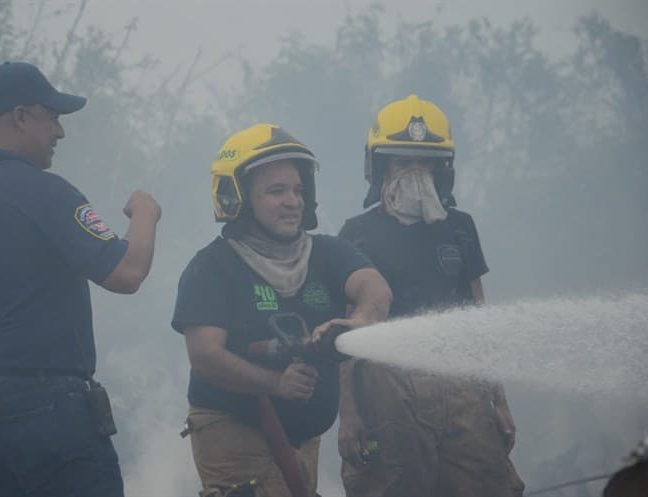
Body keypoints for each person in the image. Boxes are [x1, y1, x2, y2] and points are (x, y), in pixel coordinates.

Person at [0, 61, 161, 497]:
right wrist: (145, 213)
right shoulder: (46, 193)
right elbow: (127, 273)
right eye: (53, 117)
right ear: (20, 116)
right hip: (47, 408)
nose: (60, 132)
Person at [171, 123, 392, 497]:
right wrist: (276, 383)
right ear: (236, 197)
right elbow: (205, 356)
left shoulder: (328, 253)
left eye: (298, 190)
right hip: (233, 433)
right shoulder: (211, 266)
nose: (293, 201)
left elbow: (376, 288)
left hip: (302, 441)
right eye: (277, 191)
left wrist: (356, 322)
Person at [337, 94, 525, 497]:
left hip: (460, 380)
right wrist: (349, 414)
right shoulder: (357, 233)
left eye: (425, 162)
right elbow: (347, 331)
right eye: (404, 162)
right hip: (388, 385)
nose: (415, 172)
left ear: (444, 171)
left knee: (488, 485)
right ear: (379, 166)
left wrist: (498, 400)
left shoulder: (460, 228)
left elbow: (478, 315)